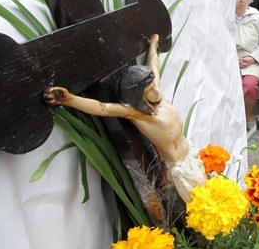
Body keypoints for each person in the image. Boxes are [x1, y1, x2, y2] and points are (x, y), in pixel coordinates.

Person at [45, 35, 206, 203]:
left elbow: (154, 65)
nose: (156, 90)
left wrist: (152, 46)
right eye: (150, 88)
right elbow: (102, 108)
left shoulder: (158, 96)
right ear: (139, 94)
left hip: (191, 153)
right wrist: (69, 99)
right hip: (181, 168)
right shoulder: (139, 114)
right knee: (200, 207)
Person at [235, 0, 259, 128]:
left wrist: (252, 58)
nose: (242, 0)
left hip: (253, 59)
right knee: (231, 85)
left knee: (250, 85)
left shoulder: (257, 16)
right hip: (231, 60)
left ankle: (248, 114)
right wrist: (233, 59)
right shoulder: (224, 17)